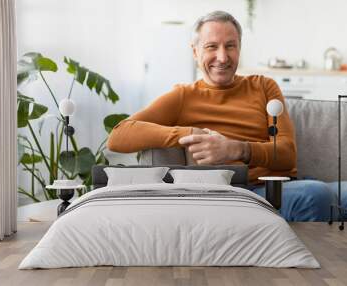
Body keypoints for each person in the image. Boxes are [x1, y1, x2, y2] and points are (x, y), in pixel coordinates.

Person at [107, 11, 334, 221]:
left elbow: (287, 155)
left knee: (325, 192)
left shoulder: (264, 86)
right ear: (195, 52)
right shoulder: (183, 96)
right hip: (244, 192)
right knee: (314, 194)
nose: (222, 57)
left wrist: (236, 149)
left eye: (230, 46)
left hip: (285, 186)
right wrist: (189, 133)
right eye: (211, 47)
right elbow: (118, 136)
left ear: (239, 49)